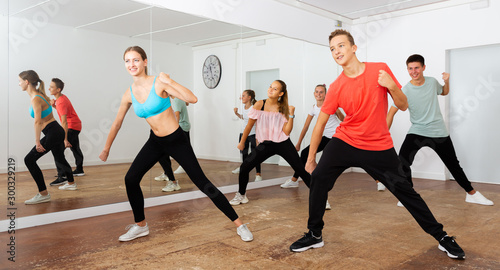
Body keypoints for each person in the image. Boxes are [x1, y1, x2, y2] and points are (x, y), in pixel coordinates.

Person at [289, 30, 465, 260]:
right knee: (319, 179)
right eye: (332, 48)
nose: (337, 51)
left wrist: (392, 85)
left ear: (353, 48)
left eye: (341, 46)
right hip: (345, 141)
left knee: (405, 190)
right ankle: (314, 234)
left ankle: (441, 237)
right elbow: (320, 123)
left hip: (377, 145)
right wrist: (311, 158)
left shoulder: (379, 69)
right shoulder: (336, 86)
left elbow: (402, 105)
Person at [99, 46, 253, 242]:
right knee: (131, 179)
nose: (132, 64)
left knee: (203, 183)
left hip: (176, 140)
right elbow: (117, 122)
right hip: (155, 141)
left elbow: (192, 98)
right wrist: (106, 148)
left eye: (136, 60)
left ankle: (240, 225)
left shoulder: (159, 83)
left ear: (145, 62)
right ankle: (140, 226)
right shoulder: (128, 94)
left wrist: (169, 81)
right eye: (128, 61)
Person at [386, 54, 493, 206]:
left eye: (417, 67)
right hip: (417, 130)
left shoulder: (431, 82)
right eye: (410, 68)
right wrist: (382, 133)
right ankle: (408, 196)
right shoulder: (405, 90)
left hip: (438, 131)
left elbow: (444, 92)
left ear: (423, 67)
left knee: (453, 165)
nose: (413, 71)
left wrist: (447, 81)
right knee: (402, 162)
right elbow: (391, 112)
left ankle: (471, 194)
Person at [229, 80, 329, 208]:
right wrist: (242, 142)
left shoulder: (284, 107)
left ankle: (321, 198)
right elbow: (249, 125)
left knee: (301, 169)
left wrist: (291, 114)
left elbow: (286, 131)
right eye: (270, 87)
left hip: (283, 143)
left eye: (275, 89)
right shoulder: (260, 104)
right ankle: (241, 195)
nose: (270, 89)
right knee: (245, 167)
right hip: (266, 144)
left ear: (281, 93)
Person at [20, 70, 77, 205]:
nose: (19, 84)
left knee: (29, 160)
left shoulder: (36, 98)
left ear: (27, 82)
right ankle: (71, 183)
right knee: (59, 158)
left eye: (20, 81)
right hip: (56, 130)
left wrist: (37, 141)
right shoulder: (41, 95)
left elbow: (38, 122)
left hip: (52, 131)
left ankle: (43, 193)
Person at [280, 84, 344, 191]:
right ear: (314, 94)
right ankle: (294, 180)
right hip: (327, 137)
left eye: (321, 92)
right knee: (305, 153)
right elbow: (306, 127)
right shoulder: (313, 109)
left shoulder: (331, 105)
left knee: (327, 159)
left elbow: (343, 119)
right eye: (317, 92)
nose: (319, 94)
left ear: (325, 94)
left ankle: (378, 180)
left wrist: (337, 110)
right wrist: (299, 143)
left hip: (337, 136)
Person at [49, 78, 85, 185]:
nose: (49, 88)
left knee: (57, 149)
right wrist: (54, 105)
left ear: (58, 89)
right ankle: (79, 170)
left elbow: (64, 122)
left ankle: (62, 175)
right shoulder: (62, 98)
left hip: (71, 127)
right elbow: (63, 112)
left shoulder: (61, 102)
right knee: (75, 147)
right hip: (76, 125)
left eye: (52, 87)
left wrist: (64, 139)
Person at [154, 95, 191, 192]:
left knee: (163, 155)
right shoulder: (179, 99)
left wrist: (174, 130)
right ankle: (169, 175)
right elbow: (186, 104)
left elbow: (177, 115)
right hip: (182, 128)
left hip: (180, 128)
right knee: (164, 154)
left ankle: (172, 180)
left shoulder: (177, 100)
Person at [232, 89, 262, 182]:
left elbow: (257, 122)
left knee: (256, 154)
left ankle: (258, 174)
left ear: (249, 97)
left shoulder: (254, 108)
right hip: (243, 133)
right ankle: (243, 169)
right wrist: (237, 114)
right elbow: (244, 118)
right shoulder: (243, 107)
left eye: (244, 96)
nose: (241, 97)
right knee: (243, 153)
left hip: (252, 134)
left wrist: (258, 137)